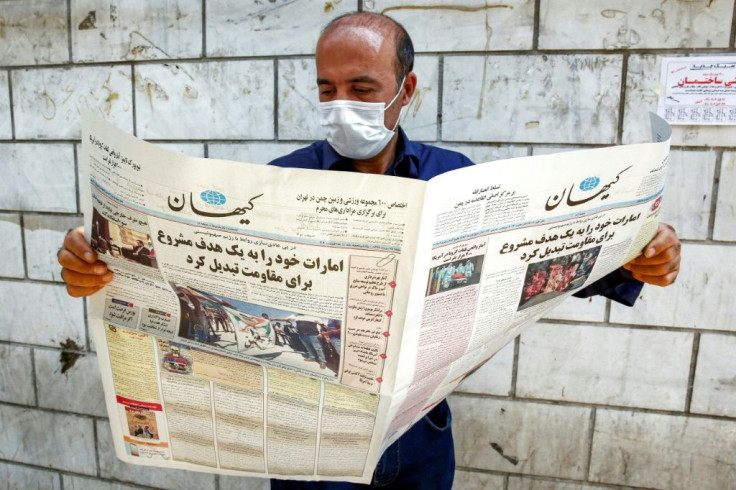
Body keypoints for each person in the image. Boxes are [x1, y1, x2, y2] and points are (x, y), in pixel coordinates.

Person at [57, 11, 682, 490]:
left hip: (421, 433)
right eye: (327, 89)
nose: (341, 105)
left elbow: (534, 264)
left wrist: (637, 256)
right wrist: (98, 263)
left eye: (361, 86)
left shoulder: (455, 180)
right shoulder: (277, 183)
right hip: (307, 434)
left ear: (405, 89)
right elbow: (199, 281)